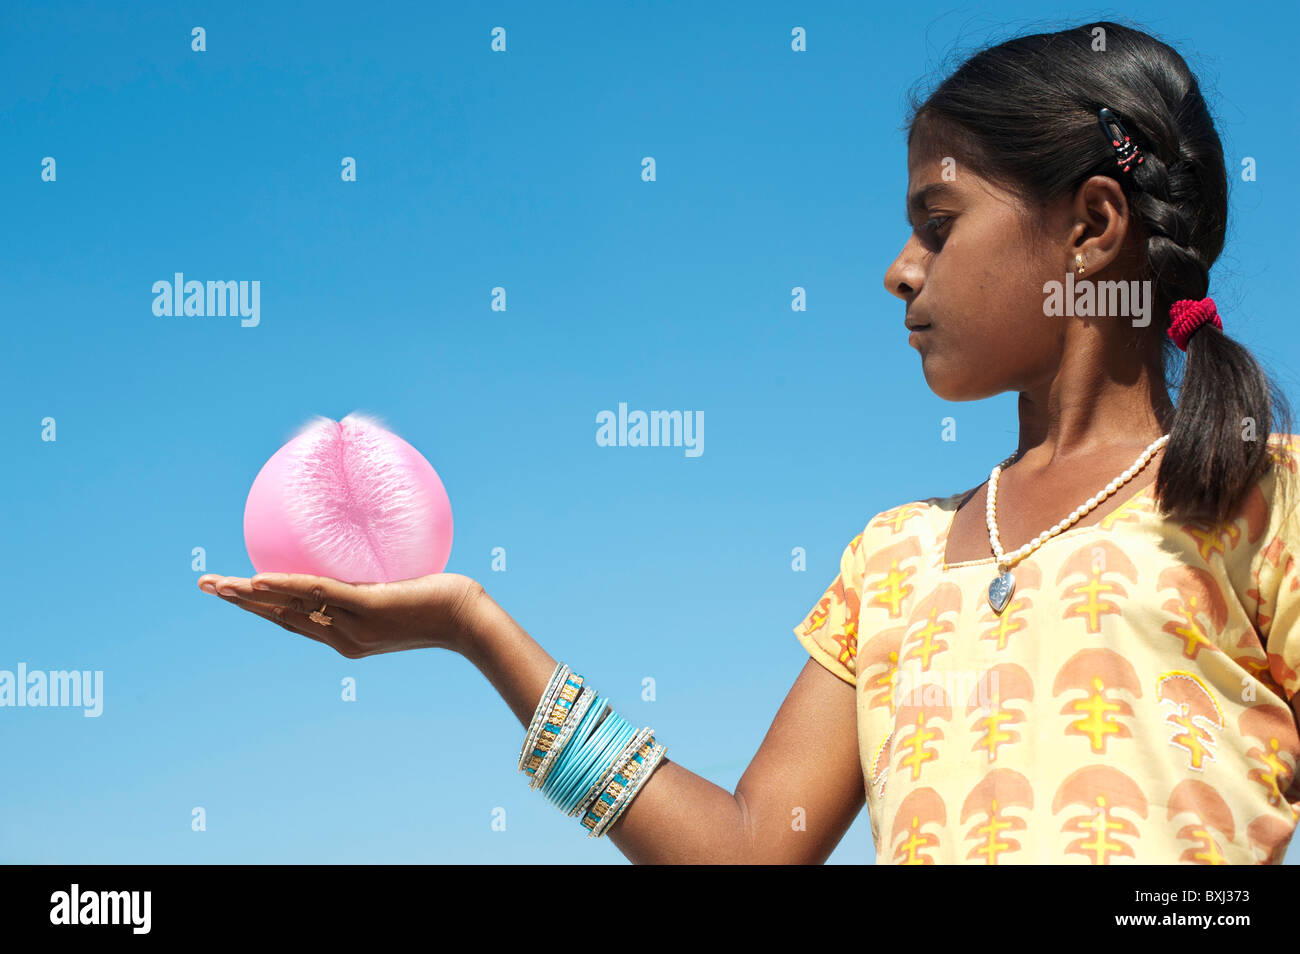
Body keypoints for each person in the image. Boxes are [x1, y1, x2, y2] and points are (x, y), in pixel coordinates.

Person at [198, 19, 1300, 863]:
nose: (900, 270)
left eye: (938, 224)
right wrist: (472, 628)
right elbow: (748, 848)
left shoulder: (1261, 498)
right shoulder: (894, 559)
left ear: (1091, 226)